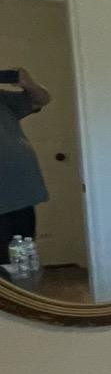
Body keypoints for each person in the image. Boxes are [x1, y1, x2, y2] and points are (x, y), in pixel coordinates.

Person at [0, 66, 51, 244]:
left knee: (23, 253)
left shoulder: (2, 98)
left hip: (20, 193)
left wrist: (29, 84)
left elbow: (41, 100)